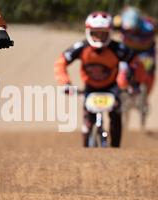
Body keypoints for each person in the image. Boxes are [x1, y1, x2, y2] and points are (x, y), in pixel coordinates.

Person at [54, 12, 133, 148]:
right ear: (88, 32)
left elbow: (135, 65)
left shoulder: (119, 49)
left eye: (104, 33)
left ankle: (116, 149)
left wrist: (130, 83)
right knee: (88, 121)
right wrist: (65, 83)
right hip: (90, 88)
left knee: (115, 115)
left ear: (110, 33)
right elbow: (60, 63)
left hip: (112, 87)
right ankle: (86, 150)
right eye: (96, 33)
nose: (99, 37)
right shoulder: (81, 47)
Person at [113, 6, 158, 94]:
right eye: (127, 30)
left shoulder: (150, 26)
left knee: (149, 70)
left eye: (132, 29)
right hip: (127, 52)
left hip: (146, 52)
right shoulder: (118, 23)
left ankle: (145, 96)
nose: (130, 32)